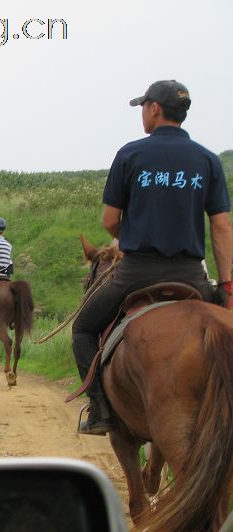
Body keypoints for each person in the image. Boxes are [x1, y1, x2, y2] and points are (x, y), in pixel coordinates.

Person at [72, 79, 233, 436]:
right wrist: (226, 285)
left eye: (143, 107)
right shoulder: (207, 159)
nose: (142, 113)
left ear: (154, 109)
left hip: (136, 272)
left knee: (82, 329)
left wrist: (130, 236)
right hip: (191, 275)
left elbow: (110, 221)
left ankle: (100, 410)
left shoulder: (130, 154)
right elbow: (221, 227)